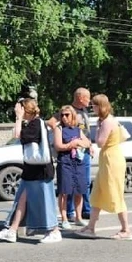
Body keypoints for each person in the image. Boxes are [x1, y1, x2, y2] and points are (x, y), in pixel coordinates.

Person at [0, 99, 62, 244]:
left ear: (25, 110)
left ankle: (54, 231)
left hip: (40, 171)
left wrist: (18, 118)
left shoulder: (36, 124)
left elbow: (18, 135)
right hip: (31, 170)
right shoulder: (33, 124)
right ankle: (12, 230)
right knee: (20, 200)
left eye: (20, 108)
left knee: (45, 201)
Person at [75, 94, 132, 240]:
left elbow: (100, 142)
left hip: (111, 160)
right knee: (97, 194)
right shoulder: (108, 120)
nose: (92, 108)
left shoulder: (107, 122)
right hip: (108, 159)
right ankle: (91, 227)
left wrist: (97, 128)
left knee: (116, 195)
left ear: (100, 106)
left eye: (94, 105)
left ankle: (126, 230)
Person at [47, 88, 93, 222]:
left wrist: (88, 145)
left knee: (83, 184)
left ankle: (85, 211)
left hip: (82, 152)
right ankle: (69, 213)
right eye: (87, 98)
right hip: (67, 155)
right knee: (67, 187)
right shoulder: (68, 110)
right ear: (80, 98)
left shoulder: (84, 111)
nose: (89, 101)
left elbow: (85, 132)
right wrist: (58, 132)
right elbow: (50, 122)